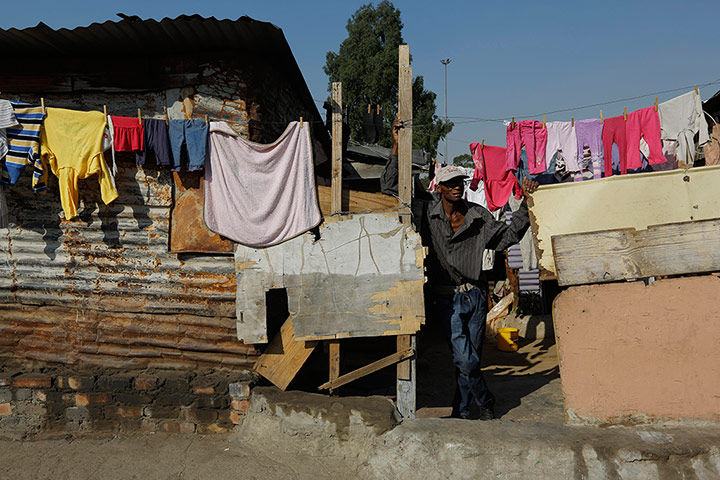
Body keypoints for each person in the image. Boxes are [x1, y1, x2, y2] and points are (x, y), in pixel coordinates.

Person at [425, 166, 538, 420]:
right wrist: (397, 148)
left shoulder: (477, 215)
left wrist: (524, 207)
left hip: (475, 296)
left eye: (460, 182)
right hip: (447, 298)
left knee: (471, 358)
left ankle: (463, 410)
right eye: (450, 183)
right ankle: (486, 400)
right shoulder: (427, 212)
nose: (457, 186)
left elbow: (505, 236)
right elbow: (391, 190)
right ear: (440, 187)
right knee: (464, 359)